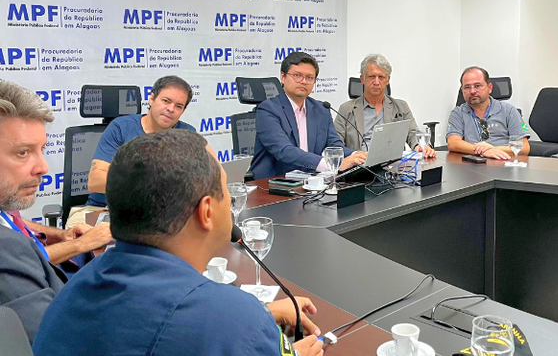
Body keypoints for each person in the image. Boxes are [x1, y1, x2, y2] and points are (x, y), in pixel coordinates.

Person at [34, 130, 323, 356]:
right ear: (206, 211)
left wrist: (260, 317)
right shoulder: (234, 321)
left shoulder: (74, 288)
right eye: (225, 190)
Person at [0, 81, 111, 342]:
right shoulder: (7, 249)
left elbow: (14, 221)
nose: (43, 167)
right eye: (23, 152)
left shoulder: (5, 207)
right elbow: (57, 342)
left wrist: (60, 235)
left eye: (42, 149)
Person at [71, 75, 198, 227]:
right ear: (151, 99)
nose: (171, 109)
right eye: (166, 101)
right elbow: (95, 181)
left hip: (159, 213)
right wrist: (150, 184)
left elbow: (197, 181)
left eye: (179, 106)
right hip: (102, 210)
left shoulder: (187, 134)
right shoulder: (120, 127)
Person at [249, 52, 366, 179]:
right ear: (283, 77)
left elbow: (334, 146)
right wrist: (332, 164)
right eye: (297, 75)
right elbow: (284, 151)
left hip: (311, 183)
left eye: (310, 77)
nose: (304, 81)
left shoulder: (321, 109)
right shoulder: (268, 109)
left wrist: (357, 156)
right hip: (274, 184)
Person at [334, 54, 436, 157]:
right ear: (362, 79)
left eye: (381, 77)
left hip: (392, 167)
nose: (376, 82)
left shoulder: (401, 107)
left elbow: (413, 133)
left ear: (387, 80)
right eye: (372, 77)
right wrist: (354, 155)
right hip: (359, 166)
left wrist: (420, 145)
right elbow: (335, 144)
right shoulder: (346, 110)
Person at [446, 67, 530, 160]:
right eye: (467, 87)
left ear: (489, 88)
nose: (472, 91)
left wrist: (492, 149)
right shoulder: (457, 113)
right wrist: (482, 151)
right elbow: (453, 143)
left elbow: (524, 148)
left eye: (477, 86)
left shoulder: (509, 111)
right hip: (471, 165)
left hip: (503, 163)